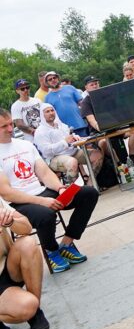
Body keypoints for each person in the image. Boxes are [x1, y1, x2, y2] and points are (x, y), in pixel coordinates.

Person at [0, 108, 99, 274]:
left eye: (11, 124)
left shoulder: (25, 145)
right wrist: (42, 201)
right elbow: (6, 193)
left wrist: (60, 188)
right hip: (19, 203)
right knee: (45, 214)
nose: (10, 129)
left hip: (42, 192)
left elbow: (45, 173)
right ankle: (52, 251)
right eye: (4, 126)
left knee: (89, 193)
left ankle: (67, 243)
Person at [0, 198, 50, 329]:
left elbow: (26, 228)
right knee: (26, 306)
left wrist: (10, 221)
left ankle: (35, 315)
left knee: (28, 244)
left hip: (7, 265)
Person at [34, 104, 102, 185]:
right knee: (72, 162)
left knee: (97, 155)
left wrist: (74, 137)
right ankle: (71, 192)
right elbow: (46, 151)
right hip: (54, 158)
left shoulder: (61, 125)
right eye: (47, 111)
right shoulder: (40, 131)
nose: (51, 113)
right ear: (42, 115)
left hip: (72, 152)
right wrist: (64, 142)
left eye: (52, 110)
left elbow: (69, 137)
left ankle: (90, 184)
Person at [44, 72, 88, 137]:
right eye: (50, 79)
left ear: (58, 78)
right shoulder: (47, 97)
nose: (53, 80)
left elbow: (82, 104)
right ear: (47, 83)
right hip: (63, 130)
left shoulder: (70, 88)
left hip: (79, 124)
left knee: (87, 145)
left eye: (54, 78)